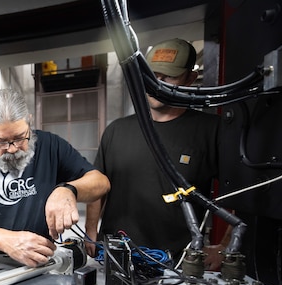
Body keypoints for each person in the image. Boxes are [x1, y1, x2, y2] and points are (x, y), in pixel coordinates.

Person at [85, 38, 227, 268]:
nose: (156, 83)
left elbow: (243, 196)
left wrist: (225, 247)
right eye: (151, 75)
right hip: (116, 260)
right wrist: (91, 230)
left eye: (168, 76)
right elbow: (97, 185)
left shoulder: (212, 130)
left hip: (178, 264)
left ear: (190, 79)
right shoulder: (116, 130)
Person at [0, 88, 110, 267]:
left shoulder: (51, 145)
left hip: (40, 262)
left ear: (29, 122)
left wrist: (69, 190)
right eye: (2, 141)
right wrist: (6, 241)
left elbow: (100, 182)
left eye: (20, 138)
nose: (12, 148)